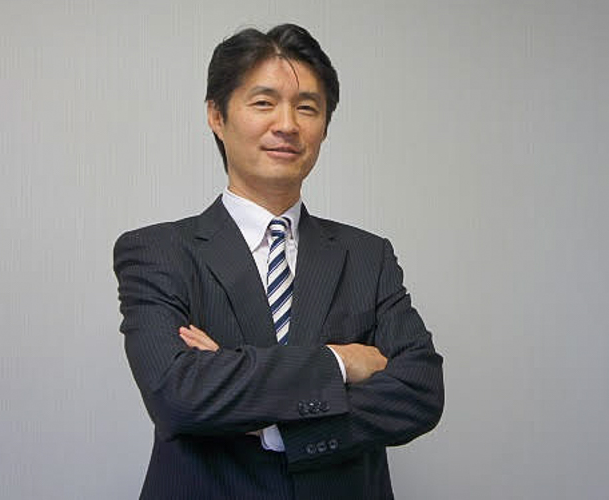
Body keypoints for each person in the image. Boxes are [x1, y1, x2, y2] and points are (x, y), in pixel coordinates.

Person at [113, 23, 444, 500]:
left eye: (307, 107)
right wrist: (340, 362)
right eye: (264, 102)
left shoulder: (367, 256)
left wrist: (272, 424)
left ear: (324, 127)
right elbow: (177, 396)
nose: (287, 124)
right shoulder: (157, 252)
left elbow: (420, 391)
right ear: (217, 116)